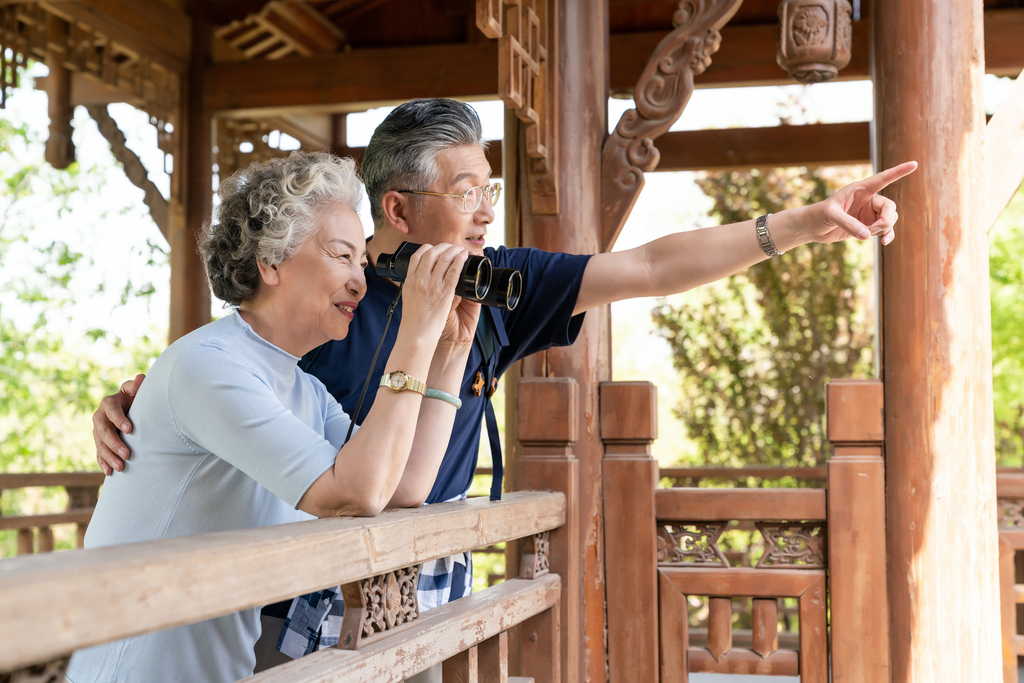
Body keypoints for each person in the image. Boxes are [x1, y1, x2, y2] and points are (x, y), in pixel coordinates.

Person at [93, 99, 916, 665]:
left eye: (490, 188)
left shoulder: (494, 284)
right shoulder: (324, 302)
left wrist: (806, 222)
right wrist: (140, 400)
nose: (489, 209)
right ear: (399, 210)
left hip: (432, 553)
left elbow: (654, 265)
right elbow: (230, 368)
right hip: (302, 583)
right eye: (466, 191)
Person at [68, 151, 480, 683]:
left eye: (362, 262)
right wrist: (415, 331)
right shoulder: (208, 365)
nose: (360, 281)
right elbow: (356, 493)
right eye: (341, 255)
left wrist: (450, 349)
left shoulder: (300, 387)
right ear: (271, 261)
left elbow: (402, 487)